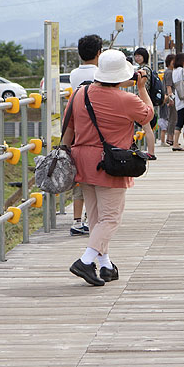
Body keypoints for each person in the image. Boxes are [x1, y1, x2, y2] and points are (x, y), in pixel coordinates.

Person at [62, 49, 154, 286]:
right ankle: (85, 260)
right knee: (111, 218)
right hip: (110, 163)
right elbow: (148, 115)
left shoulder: (79, 94)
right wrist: (142, 87)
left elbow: (68, 126)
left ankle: (105, 266)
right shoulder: (128, 99)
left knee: (95, 218)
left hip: (82, 161)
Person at [66, 34, 103, 236]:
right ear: (99, 52)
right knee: (95, 176)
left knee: (79, 176)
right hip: (97, 130)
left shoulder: (73, 74)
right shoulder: (101, 73)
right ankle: (92, 218)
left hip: (77, 129)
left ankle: (76, 220)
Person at [132, 47, 157, 160]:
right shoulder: (144, 68)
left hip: (143, 101)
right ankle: (149, 151)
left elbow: (143, 87)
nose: (137, 58)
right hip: (146, 100)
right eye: (136, 56)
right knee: (147, 127)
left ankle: (151, 152)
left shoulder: (144, 70)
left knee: (147, 128)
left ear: (144, 57)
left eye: (139, 56)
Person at [162, 54, 177, 146]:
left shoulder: (169, 71)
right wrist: (171, 99)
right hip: (171, 97)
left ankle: (171, 137)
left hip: (171, 97)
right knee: (173, 118)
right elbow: (168, 86)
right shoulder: (169, 72)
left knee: (172, 117)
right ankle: (170, 138)